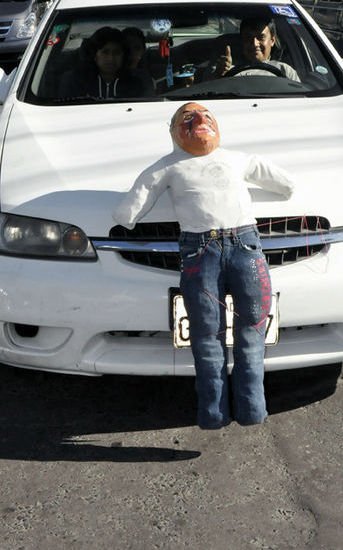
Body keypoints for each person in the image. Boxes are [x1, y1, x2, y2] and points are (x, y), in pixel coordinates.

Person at [113, 102, 294, 429]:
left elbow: (285, 182)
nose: (198, 120)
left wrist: (125, 216)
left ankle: (252, 410)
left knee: (249, 331)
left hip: (243, 246)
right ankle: (213, 414)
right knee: (207, 334)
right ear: (173, 132)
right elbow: (131, 208)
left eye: (206, 116)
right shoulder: (169, 166)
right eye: (187, 118)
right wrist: (125, 217)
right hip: (201, 251)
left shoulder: (237, 159)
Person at [61, 26, 144, 99]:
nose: (111, 58)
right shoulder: (75, 81)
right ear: (94, 55)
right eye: (105, 52)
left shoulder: (134, 84)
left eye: (116, 52)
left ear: (124, 56)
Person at [211, 16, 299, 81]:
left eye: (261, 37)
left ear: (272, 41)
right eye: (248, 38)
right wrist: (219, 74)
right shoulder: (225, 68)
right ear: (242, 41)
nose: (254, 44)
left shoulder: (285, 71)